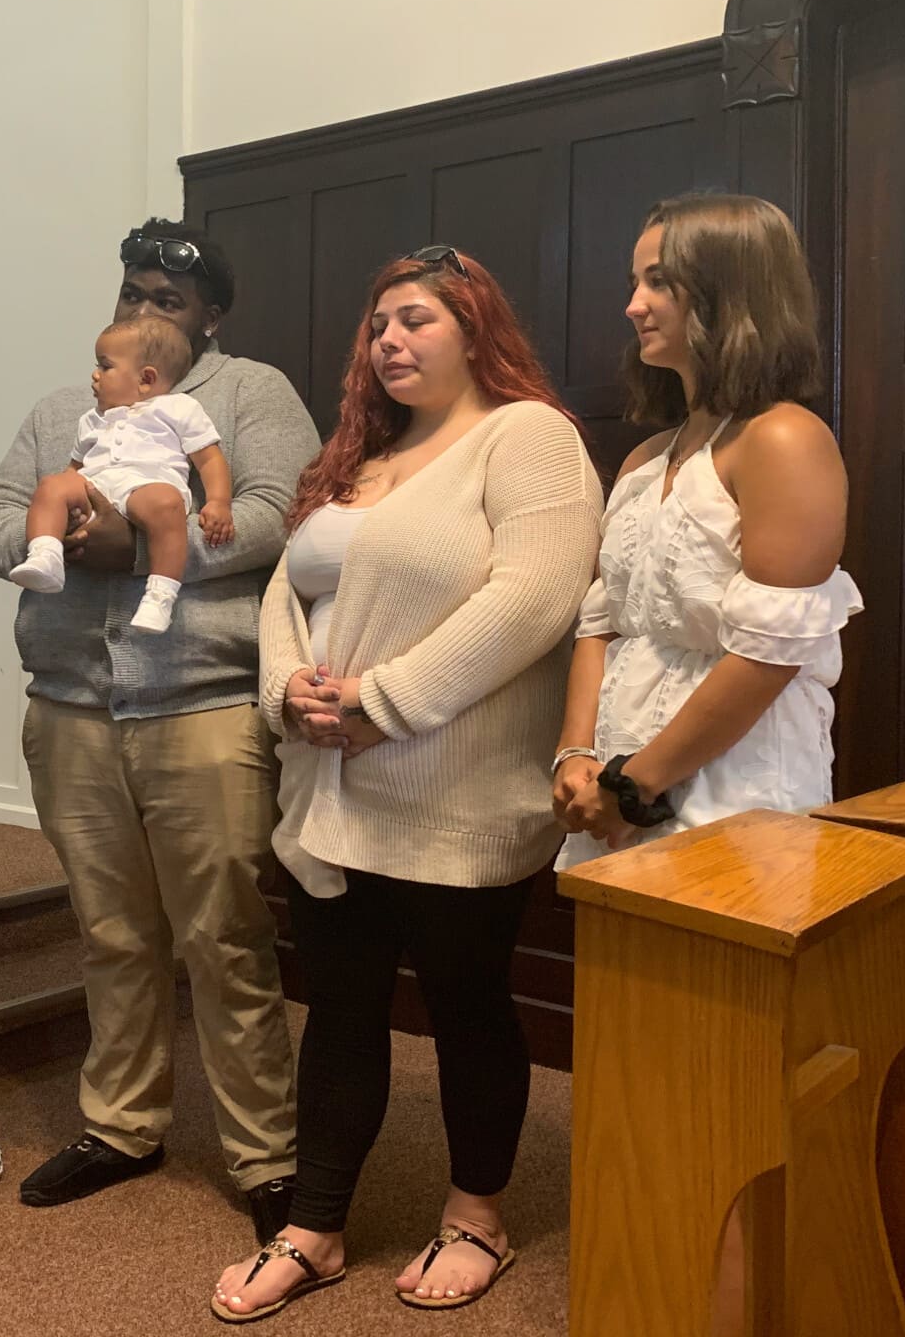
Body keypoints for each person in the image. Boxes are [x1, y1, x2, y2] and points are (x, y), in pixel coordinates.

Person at [212, 245, 601, 1323]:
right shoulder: (360, 459)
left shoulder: (528, 438)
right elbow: (286, 593)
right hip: (331, 795)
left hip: (456, 794)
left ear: (476, 330)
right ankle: (316, 1227)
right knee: (338, 1009)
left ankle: (478, 1216)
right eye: (378, 324)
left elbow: (535, 598)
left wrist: (384, 701)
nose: (390, 339)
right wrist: (288, 689)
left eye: (417, 319)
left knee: (469, 1007)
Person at [0, 220, 314, 1240]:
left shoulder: (250, 396)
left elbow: (278, 514)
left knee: (226, 940)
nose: (145, 312)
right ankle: (122, 1127)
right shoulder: (62, 407)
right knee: (113, 933)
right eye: (133, 294)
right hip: (71, 711)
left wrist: (143, 549)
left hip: (202, 707)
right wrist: (68, 540)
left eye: (169, 299)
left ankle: (267, 1156)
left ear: (211, 317)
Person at [550, 194, 862, 866]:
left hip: (735, 792)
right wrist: (577, 755)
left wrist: (635, 785)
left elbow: (769, 653)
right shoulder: (644, 460)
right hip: (615, 784)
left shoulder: (783, 439)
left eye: (659, 281)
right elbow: (600, 625)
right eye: (634, 283)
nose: (634, 305)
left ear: (729, 291)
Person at [6, 314, 234, 633]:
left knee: (167, 505)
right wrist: (62, 499)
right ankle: (46, 555)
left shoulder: (180, 408)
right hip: (97, 485)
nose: (95, 375)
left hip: (148, 486)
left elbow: (209, 459)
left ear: (146, 379)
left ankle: (160, 596)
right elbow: (74, 469)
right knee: (52, 485)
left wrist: (219, 502)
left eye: (105, 366)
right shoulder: (91, 419)